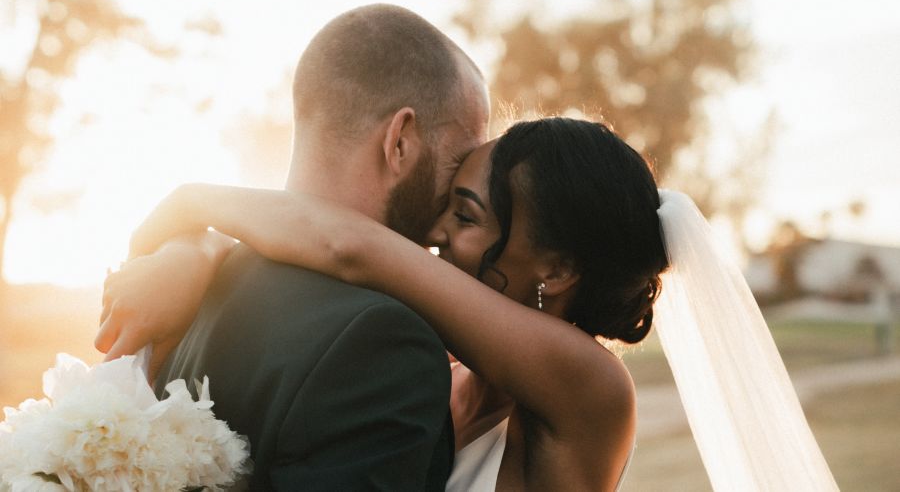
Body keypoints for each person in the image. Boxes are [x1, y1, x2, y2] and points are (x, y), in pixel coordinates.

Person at [102, 117, 841, 491]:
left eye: (464, 215)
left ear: (558, 267)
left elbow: (351, 248)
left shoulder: (590, 386)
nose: (432, 232)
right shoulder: (457, 372)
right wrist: (195, 255)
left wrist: (191, 207)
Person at [96, 4, 490, 490]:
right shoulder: (384, 342)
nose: (450, 212)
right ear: (401, 142)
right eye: (459, 162)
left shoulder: (199, 285)